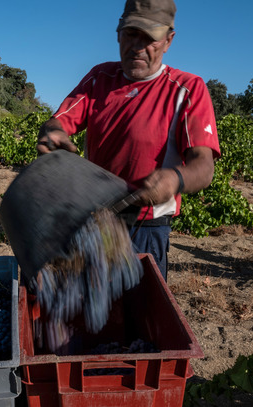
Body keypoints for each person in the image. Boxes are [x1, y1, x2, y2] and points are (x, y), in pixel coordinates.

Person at [36, 0, 221, 281]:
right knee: (86, 306)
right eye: (131, 34)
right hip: (94, 219)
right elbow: (59, 121)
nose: (138, 46)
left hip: (145, 227)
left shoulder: (187, 89)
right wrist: (52, 133)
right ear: (118, 33)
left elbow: (204, 167)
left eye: (150, 39)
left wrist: (174, 180)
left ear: (168, 41)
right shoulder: (100, 78)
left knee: (137, 313)